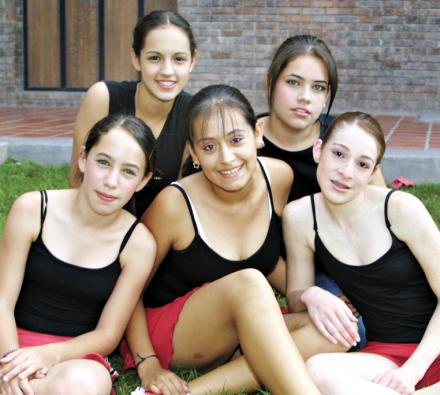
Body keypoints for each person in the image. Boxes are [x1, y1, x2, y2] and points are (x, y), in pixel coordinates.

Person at [123, 85, 344, 395]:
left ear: (258, 133)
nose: (226, 158)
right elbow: (128, 287)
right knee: (250, 284)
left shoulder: (279, 177)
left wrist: (313, 297)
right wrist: (148, 363)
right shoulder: (174, 204)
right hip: (168, 331)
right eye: (209, 147)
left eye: (236, 140)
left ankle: (190, 392)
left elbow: (263, 261)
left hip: (236, 325)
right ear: (194, 152)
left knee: (335, 332)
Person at [283, 112, 440, 394]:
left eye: (362, 164)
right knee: (316, 370)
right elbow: (295, 299)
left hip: (432, 345)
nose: (346, 171)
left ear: (373, 171)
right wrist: (309, 294)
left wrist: (412, 371)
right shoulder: (300, 217)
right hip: (385, 355)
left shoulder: (401, 209)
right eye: (339, 154)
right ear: (319, 150)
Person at [0, 114, 156, 395]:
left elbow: (107, 335)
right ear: (83, 159)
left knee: (82, 384)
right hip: (7, 341)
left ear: (143, 181)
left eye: (128, 172)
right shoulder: (33, 209)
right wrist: (12, 362)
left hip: (70, 358)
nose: (111, 181)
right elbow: (2, 301)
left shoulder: (138, 244)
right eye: (103, 163)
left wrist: (47, 356)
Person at [70, 10, 197, 217]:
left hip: (159, 234)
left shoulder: (194, 114)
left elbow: (182, 203)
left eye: (179, 59)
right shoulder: (103, 98)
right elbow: (77, 180)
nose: (167, 70)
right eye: (154, 58)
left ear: (192, 61)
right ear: (136, 58)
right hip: (96, 226)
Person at [257, 34, 386, 202]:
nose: (305, 97)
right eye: (293, 82)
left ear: (327, 95)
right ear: (270, 82)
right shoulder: (242, 138)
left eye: (318, 87)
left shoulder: (344, 136)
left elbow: (382, 208)